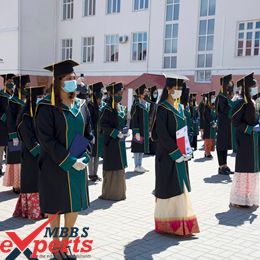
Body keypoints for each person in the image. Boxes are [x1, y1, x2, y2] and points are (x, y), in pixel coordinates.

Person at [35, 60, 93, 259]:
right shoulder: (46, 107)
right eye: (68, 79)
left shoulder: (82, 105)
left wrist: (83, 155)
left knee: (73, 205)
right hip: (55, 166)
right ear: (58, 81)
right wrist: (69, 160)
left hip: (77, 166)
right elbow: (46, 140)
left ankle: (66, 245)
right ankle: (55, 245)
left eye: (74, 78)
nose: (73, 82)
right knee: (56, 207)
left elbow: (88, 134)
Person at [154, 75, 199, 236]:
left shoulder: (180, 108)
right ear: (168, 89)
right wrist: (175, 152)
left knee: (180, 188)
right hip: (167, 156)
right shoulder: (162, 108)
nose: (179, 91)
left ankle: (182, 223)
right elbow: (162, 134)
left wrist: (187, 150)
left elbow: (184, 131)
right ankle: (168, 225)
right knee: (169, 188)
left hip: (181, 156)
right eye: (176, 88)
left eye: (181, 89)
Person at [13, 85, 46, 220]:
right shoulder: (25, 116)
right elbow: (28, 138)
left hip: (42, 154)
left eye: (42, 97)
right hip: (30, 154)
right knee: (31, 180)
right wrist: (39, 150)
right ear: (32, 99)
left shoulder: (41, 113)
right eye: (39, 97)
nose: (41, 99)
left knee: (41, 181)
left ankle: (43, 209)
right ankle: (31, 211)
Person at [230, 73, 260, 208]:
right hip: (245, 140)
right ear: (247, 88)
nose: (255, 88)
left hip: (253, 142)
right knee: (244, 170)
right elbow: (235, 122)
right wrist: (249, 129)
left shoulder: (252, 101)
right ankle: (240, 199)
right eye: (253, 86)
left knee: (252, 170)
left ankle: (249, 197)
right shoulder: (241, 102)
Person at [99, 82, 127, 201]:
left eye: (121, 92)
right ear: (111, 94)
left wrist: (125, 131)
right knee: (112, 166)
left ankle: (120, 193)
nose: (120, 95)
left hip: (120, 142)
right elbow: (103, 125)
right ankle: (109, 194)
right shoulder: (107, 108)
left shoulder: (120, 107)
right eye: (118, 93)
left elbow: (124, 121)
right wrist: (116, 133)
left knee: (120, 167)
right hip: (110, 143)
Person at [3, 75, 29, 194]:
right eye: (25, 86)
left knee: (24, 161)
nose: (27, 89)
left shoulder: (28, 101)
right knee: (16, 161)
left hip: (26, 136)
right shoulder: (13, 101)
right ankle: (16, 185)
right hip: (16, 137)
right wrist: (13, 136)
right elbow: (10, 119)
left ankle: (24, 183)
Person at [215, 75, 234, 175]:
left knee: (225, 145)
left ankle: (225, 165)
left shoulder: (225, 97)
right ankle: (221, 166)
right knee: (221, 145)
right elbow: (224, 110)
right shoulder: (220, 97)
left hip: (226, 125)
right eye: (229, 83)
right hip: (222, 124)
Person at [131, 84, 150, 173]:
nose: (146, 93)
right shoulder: (136, 105)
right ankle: (136, 165)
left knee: (142, 148)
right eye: (145, 92)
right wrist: (136, 131)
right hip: (138, 130)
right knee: (137, 148)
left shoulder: (145, 104)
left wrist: (149, 130)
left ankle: (140, 165)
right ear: (140, 94)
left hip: (144, 130)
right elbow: (134, 118)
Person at [87, 82, 104, 182]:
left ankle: (95, 173)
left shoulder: (99, 105)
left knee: (97, 154)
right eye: (100, 92)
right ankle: (91, 174)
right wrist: (91, 133)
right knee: (91, 155)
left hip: (99, 133)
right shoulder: (90, 105)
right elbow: (89, 120)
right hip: (92, 133)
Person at [0, 74, 15, 177]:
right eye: (9, 81)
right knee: (1, 148)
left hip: (13, 127)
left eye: (12, 81)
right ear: (4, 82)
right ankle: (0, 167)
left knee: (13, 148)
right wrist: (4, 116)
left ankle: (13, 170)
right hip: (2, 126)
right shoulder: (0, 94)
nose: (11, 83)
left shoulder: (15, 96)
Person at [203, 91, 217, 159]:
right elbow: (207, 116)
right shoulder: (206, 107)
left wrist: (216, 122)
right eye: (212, 97)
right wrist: (212, 123)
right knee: (208, 139)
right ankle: (207, 152)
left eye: (214, 97)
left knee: (212, 140)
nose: (213, 98)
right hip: (208, 126)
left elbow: (216, 115)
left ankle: (208, 152)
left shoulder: (214, 107)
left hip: (213, 126)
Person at [146, 86, 158, 155]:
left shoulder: (156, 104)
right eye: (154, 93)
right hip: (149, 124)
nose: (155, 94)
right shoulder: (149, 103)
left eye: (156, 93)